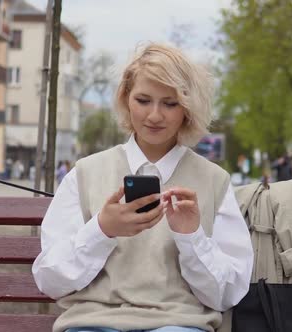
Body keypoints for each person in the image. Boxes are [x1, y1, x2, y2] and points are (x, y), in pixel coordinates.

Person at [32, 43, 253, 332]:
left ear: (188, 108)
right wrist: (101, 229)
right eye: (143, 100)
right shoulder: (86, 174)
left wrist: (191, 237)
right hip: (93, 323)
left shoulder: (213, 181)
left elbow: (226, 294)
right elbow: (51, 280)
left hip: (178, 324)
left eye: (170, 103)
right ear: (126, 99)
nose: (155, 115)